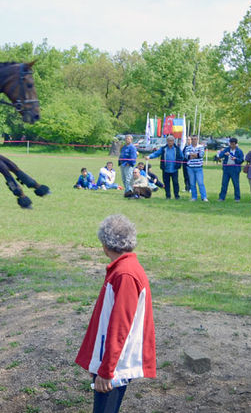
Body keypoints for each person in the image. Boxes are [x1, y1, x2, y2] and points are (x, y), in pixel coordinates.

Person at [76, 215, 156, 413]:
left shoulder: (125, 274)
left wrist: (106, 370)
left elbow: (120, 327)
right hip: (110, 361)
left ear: (105, 245)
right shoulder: (122, 269)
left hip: (116, 365)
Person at [146, 135, 184, 199]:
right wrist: (149, 156)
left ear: (173, 141)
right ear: (167, 141)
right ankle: (168, 196)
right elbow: (156, 154)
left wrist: (179, 162)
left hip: (174, 169)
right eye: (169, 141)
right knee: (166, 183)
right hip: (165, 169)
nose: (170, 142)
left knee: (175, 183)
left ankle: (177, 196)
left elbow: (182, 156)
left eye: (171, 141)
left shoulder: (177, 149)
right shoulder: (163, 149)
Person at [182, 135, 208, 201]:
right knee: (192, 183)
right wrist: (196, 155)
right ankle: (194, 197)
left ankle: (204, 197)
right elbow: (186, 156)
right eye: (192, 139)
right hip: (190, 168)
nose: (194, 140)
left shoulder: (201, 147)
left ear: (197, 140)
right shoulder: (188, 147)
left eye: (195, 139)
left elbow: (201, 155)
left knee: (200, 183)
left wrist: (192, 154)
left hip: (199, 167)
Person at [218, 137, 244, 202]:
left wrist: (236, 159)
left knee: (236, 184)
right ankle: (222, 197)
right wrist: (224, 154)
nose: (231, 145)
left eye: (233, 144)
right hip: (226, 169)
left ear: (236, 144)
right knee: (224, 183)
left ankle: (237, 198)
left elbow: (241, 160)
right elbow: (220, 155)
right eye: (230, 144)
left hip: (235, 169)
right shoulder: (226, 149)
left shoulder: (239, 151)